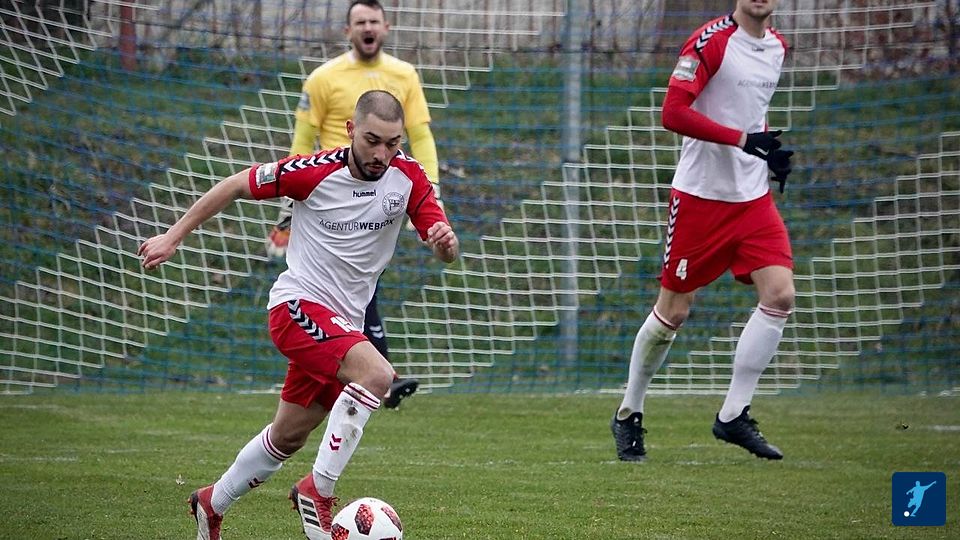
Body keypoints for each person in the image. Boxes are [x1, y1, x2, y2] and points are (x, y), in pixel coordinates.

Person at [139, 90, 459, 540]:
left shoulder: (408, 177)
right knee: (377, 375)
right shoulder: (312, 172)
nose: (382, 154)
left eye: (392, 143)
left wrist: (445, 245)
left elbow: (443, 246)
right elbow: (235, 185)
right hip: (297, 308)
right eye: (372, 141)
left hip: (343, 326)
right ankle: (318, 490)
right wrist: (173, 237)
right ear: (351, 130)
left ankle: (211, 503)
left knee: (286, 438)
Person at [610, 0, 795, 462]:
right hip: (699, 199)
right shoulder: (709, 42)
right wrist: (742, 140)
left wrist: (767, 152)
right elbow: (673, 112)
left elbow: (750, 115)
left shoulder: (778, 47)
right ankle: (629, 412)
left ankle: (733, 415)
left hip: (752, 200)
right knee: (673, 312)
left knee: (780, 296)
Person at [268, 0, 443, 408]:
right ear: (348, 31)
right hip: (330, 199)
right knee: (345, 287)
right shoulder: (323, 78)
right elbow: (302, 140)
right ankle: (377, 373)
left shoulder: (405, 75)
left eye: (374, 21)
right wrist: (289, 202)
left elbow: (421, 135)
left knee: (363, 283)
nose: (368, 28)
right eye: (360, 21)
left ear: (386, 27)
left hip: (380, 195)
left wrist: (430, 190)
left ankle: (367, 372)